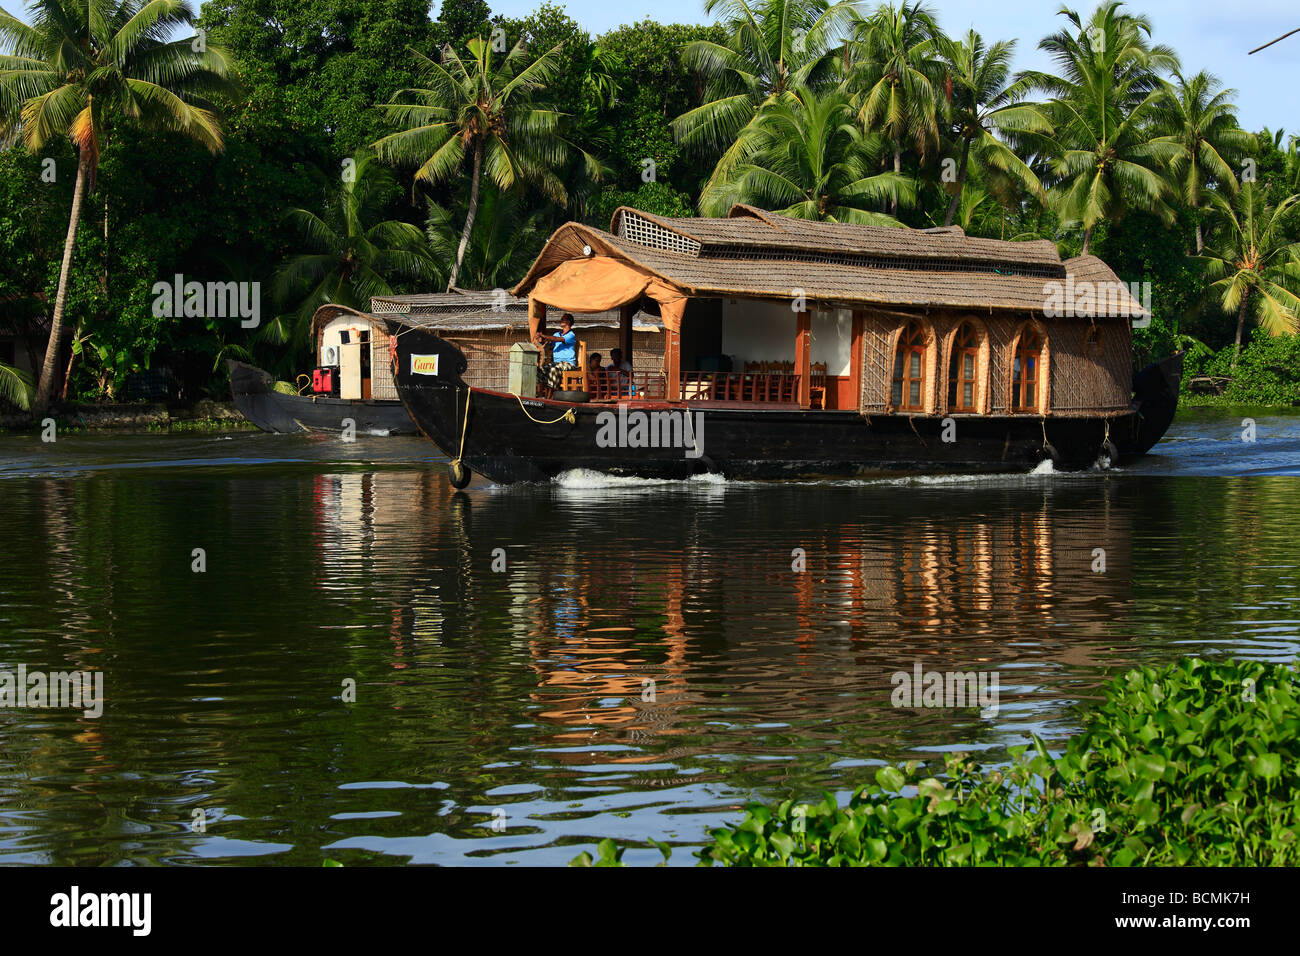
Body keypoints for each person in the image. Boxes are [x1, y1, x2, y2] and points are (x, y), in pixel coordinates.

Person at [534, 314, 578, 390]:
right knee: (540, 369)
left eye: (563, 319)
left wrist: (542, 335)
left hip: (568, 363)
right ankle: (541, 393)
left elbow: (556, 339)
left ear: (568, 322)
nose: (561, 321)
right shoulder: (556, 334)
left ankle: (552, 394)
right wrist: (541, 340)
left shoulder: (571, 335)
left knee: (554, 369)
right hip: (557, 363)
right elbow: (551, 343)